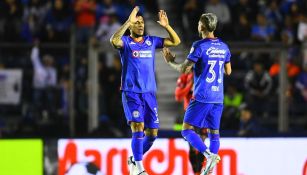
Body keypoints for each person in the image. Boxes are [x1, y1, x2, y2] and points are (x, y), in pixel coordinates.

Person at [110, 6, 180, 175]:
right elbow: (113, 40)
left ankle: (134, 159)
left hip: (149, 93)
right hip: (131, 92)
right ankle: (140, 169)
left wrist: (167, 26)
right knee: (138, 126)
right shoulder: (126, 43)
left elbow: (176, 42)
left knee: (153, 133)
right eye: (137, 23)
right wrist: (128, 21)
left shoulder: (151, 41)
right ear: (132, 26)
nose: (140, 25)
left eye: (142, 22)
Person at [161, 13, 231, 175]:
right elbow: (228, 71)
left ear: (202, 27)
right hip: (218, 97)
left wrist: (170, 61)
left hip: (202, 96)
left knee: (186, 130)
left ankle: (208, 155)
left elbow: (184, 69)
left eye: (199, 23)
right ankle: (210, 166)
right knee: (214, 134)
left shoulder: (199, 46)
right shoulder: (224, 46)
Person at [174, 72, 207, 175]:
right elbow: (178, 96)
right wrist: (189, 85)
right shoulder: (184, 78)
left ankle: (200, 172)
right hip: (190, 113)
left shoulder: (204, 75)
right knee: (192, 145)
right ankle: (196, 172)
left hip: (202, 112)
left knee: (202, 142)